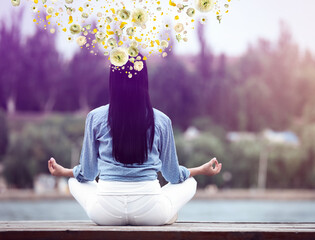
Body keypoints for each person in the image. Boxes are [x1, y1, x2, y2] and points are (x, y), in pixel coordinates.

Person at [47, 56, 222, 226]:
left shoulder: (95, 117)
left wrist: (65, 172)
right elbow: (173, 176)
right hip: (151, 211)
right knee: (190, 182)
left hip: (105, 213)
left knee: (75, 181)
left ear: (112, 80)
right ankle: (165, 212)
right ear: (144, 81)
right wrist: (200, 170)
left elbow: (88, 174)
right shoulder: (161, 120)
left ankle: (160, 210)